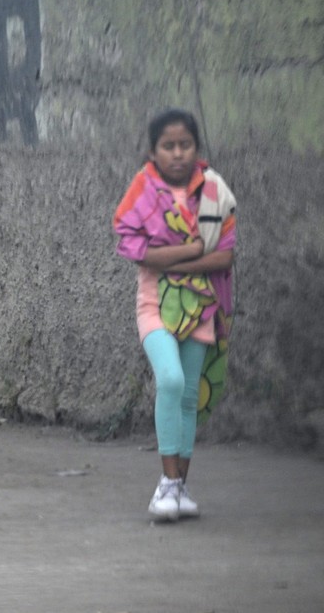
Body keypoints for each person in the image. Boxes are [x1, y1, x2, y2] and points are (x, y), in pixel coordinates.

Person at [113, 109, 236, 522]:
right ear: (153, 151)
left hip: (201, 308)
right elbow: (136, 249)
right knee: (170, 379)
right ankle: (165, 486)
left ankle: (180, 488)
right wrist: (192, 251)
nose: (178, 153)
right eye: (169, 146)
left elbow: (226, 255)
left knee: (187, 398)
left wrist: (173, 261)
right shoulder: (143, 189)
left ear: (196, 150)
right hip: (154, 308)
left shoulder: (215, 191)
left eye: (185, 145)